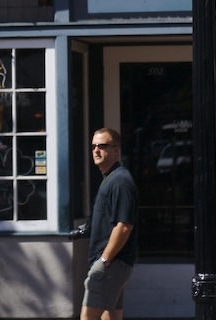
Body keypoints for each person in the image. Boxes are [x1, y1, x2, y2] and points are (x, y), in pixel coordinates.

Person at [81, 127, 138, 320]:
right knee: (111, 317)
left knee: (88, 317)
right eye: (94, 146)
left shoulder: (120, 182)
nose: (96, 150)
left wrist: (104, 261)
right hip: (114, 265)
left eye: (102, 146)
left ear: (116, 150)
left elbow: (124, 226)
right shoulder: (110, 179)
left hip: (111, 264)